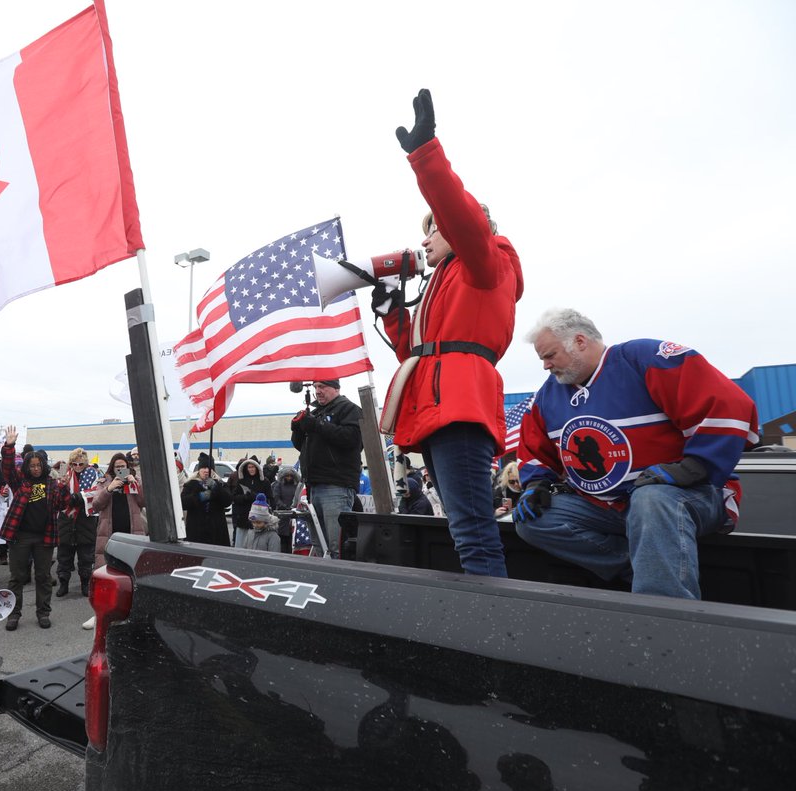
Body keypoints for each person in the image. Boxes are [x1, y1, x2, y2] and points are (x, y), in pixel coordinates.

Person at [369, 88, 524, 578]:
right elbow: (417, 352)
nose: (424, 239)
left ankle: (493, 629)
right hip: (440, 404)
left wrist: (426, 155)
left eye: (433, 229)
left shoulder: (486, 260)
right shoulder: (445, 281)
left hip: (459, 405)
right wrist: (393, 312)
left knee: (474, 530)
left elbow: (463, 217)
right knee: (463, 527)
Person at [513, 308, 759, 599]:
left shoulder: (645, 359)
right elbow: (533, 447)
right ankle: (650, 568)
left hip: (689, 496)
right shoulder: (549, 395)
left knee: (650, 498)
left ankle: (664, 616)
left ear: (580, 341)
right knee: (533, 520)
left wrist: (694, 466)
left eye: (550, 355)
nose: (545, 366)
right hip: (607, 507)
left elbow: (729, 405)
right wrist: (535, 484)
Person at [0, 426, 70, 631]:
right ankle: (14, 614)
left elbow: (62, 505)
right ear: (27, 467)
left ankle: (43, 613)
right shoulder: (20, 481)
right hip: (20, 536)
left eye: (39, 465)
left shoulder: (52, 484)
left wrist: (64, 487)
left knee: (43, 577)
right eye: (32, 465)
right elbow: (7, 469)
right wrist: (9, 446)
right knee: (17, 578)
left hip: (44, 538)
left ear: (44, 466)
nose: (36, 468)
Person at [290, 379, 363, 557]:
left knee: (336, 546)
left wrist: (317, 425)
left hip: (336, 485)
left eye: (322, 386)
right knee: (319, 545)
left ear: (336, 388)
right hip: (314, 485)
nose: (318, 391)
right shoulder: (315, 412)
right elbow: (304, 447)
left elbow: (352, 439)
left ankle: (341, 581)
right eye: (315, 387)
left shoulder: (349, 409)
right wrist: (298, 430)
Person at [56, 448, 100, 599]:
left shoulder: (93, 473)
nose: (78, 466)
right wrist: (63, 488)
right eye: (75, 463)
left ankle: (85, 583)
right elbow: (58, 495)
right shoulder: (65, 474)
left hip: (85, 518)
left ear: (85, 463)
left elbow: (96, 491)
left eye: (81, 463)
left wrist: (80, 497)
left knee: (86, 556)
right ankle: (63, 583)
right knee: (64, 555)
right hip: (66, 518)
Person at [90, 452, 147, 565]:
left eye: (123, 467)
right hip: (110, 533)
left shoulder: (136, 480)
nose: (120, 469)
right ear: (112, 468)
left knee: (132, 566)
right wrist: (109, 489)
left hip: (131, 532)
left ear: (127, 467)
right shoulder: (104, 482)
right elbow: (96, 506)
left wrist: (134, 484)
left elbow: (143, 502)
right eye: (117, 467)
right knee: (109, 567)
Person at [180, 453, 232, 546]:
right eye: (203, 468)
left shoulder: (220, 484)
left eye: (209, 468)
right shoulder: (190, 484)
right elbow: (183, 503)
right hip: (196, 531)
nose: (206, 471)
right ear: (199, 470)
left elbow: (227, 501)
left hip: (216, 533)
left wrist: (216, 487)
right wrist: (200, 496)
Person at [230, 456, 272, 548]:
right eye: (249, 467)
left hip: (259, 520)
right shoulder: (241, 480)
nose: (251, 469)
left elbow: (270, 498)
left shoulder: (265, 482)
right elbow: (234, 497)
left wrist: (256, 497)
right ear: (246, 468)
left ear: (257, 467)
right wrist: (245, 497)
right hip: (243, 518)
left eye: (253, 467)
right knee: (241, 547)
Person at [270, 465, 302, 555]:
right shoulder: (278, 485)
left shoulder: (296, 486)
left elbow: (298, 497)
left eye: (290, 476)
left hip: (293, 513)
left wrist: (293, 507)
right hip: (282, 514)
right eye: (287, 476)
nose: (289, 478)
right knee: (282, 537)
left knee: (292, 536)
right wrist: (284, 506)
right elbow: (276, 497)